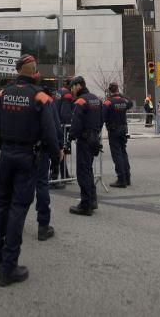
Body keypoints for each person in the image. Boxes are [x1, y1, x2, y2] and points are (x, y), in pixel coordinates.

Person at [0, 54, 60, 286]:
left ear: (18, 70)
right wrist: (55, 156)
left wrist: (2, 145)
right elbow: (50, 132)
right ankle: (8, 268)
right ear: (34, 71)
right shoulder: (40, 96)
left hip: (6, 155)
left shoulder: (2, 93)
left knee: (0, 206)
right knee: (18, 209)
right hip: (28, 157)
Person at [68, 76, 103, 216]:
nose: (71, 91)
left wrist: (70, 137)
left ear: (78, 86)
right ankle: (92, 201)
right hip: (94, 138)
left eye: (72, 87)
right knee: (88, 170)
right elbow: (101, 120)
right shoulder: (96, 99)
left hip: (85, 139)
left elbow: (76, 124)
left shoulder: (81, 101)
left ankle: (85, 205)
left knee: (83, 172)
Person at [35, 79, 64, 240]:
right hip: (40, 151)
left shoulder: (11, 94)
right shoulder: (47, 101)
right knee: (41, 185)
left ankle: (12, 226)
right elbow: (54, 127)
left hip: (18, 151)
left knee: (18, 188)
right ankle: (43, 226)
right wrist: (57, 149)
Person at [103, 83, 133, 187]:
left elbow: (103, 115)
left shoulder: (108, 102)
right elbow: (130, 103)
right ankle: (127, 177)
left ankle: (121, 179)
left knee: (117, 155)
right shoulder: (124, 100)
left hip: (114, 130)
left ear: (109, 91)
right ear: (117, 90)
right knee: (123, 153)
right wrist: (121, 95)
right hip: (123, 129)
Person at [53, 77, 74, 184]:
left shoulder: (60, 91)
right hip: (63, 126)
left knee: (60, 150)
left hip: (56, 124)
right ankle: (56, 175)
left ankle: (64, 174)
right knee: (62, 150)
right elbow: (65, 113)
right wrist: (70, 128)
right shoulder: (68, 94)